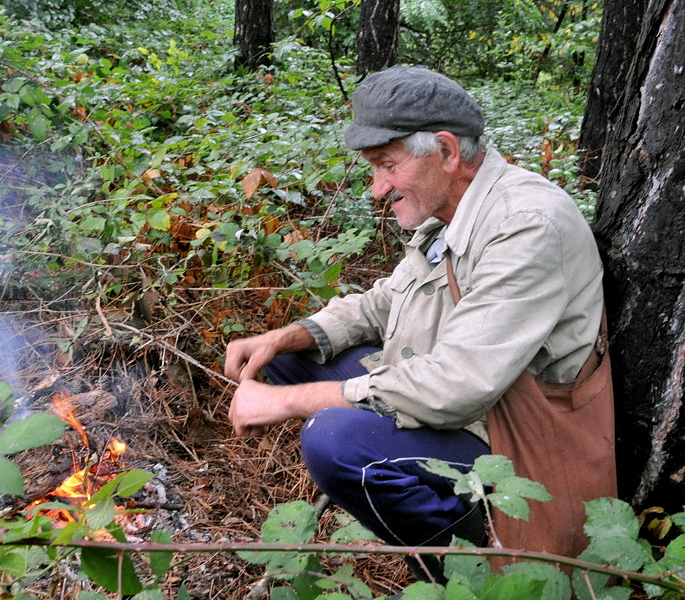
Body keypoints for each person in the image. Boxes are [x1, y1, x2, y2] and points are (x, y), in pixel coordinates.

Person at [224, 66, 616, 585]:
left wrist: (290, 402)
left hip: (519, 438)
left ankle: (465, 569)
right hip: (476, 404)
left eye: (386, 166)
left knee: (335, 440)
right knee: (295, 359)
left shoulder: (526, 225)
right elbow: (391, 298)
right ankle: (417, 502)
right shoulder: (452, 207)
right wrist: (288, 336)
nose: (375, 190)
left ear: (448, 152)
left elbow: (454, 386)